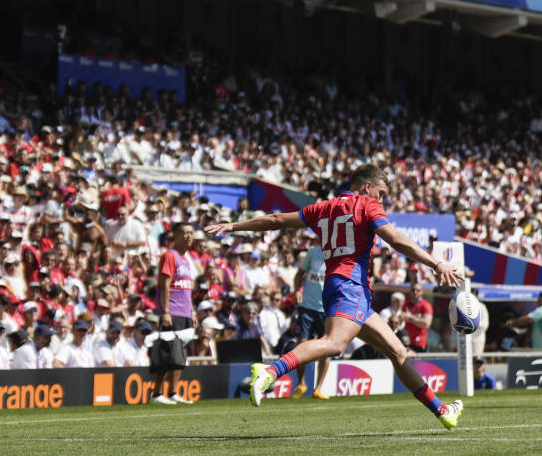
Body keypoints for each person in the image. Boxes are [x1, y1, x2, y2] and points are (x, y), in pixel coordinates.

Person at [205, 163, 464, 429]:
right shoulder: (368, 205)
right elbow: (396, 240)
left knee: (398, 351)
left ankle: (442, 410)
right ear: (367, 187)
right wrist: (436, 264)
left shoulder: (324, 208)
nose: (382, 200)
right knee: (333, 344)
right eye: (381, 192)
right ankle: (270, 371)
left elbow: (276, 220)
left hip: (345, 288)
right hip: (349, 285)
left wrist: (234, 225)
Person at [151, 222, 196, 404]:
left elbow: (187, 289)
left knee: (180, 355)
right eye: (184, 233)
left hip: (184, 312)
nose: (188, 236)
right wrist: (166, 311)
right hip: (172, 311)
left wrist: (192, 312)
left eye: (191, 233)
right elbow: (165, 284)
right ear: (174, 236)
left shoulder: (186, 259)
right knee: (167, 353)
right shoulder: (170, 255)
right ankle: (156, 393)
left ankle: (172, 392)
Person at [291, 240, 330, 399]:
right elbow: (299, 274)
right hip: (307, 306)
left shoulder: (339, 256)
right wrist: (297, 291)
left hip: (326, 310)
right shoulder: (313, 252)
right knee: (301, 345)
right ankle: (301, 383)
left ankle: (318, 389)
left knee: (327, 349)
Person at [402, 282, 433, 352]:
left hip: (419, 343)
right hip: (406, 342)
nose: (415, 292)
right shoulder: (405, 304)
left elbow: (426, 324)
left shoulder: (426, 305)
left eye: (418, 290)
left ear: (422, 292)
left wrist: (410, 318)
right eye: (413, 290)